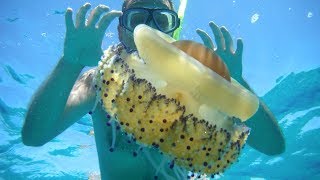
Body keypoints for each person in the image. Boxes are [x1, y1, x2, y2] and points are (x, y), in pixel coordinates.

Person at [21, 0, 285, 179]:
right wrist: (70, 63)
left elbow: (273, 146)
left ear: (174, 28)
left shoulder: (199, 86)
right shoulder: (98, 79)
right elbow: (34, 136)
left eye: (161, 18)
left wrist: (233, 81)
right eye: (137, 19)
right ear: (122, 30)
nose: (149, 28)